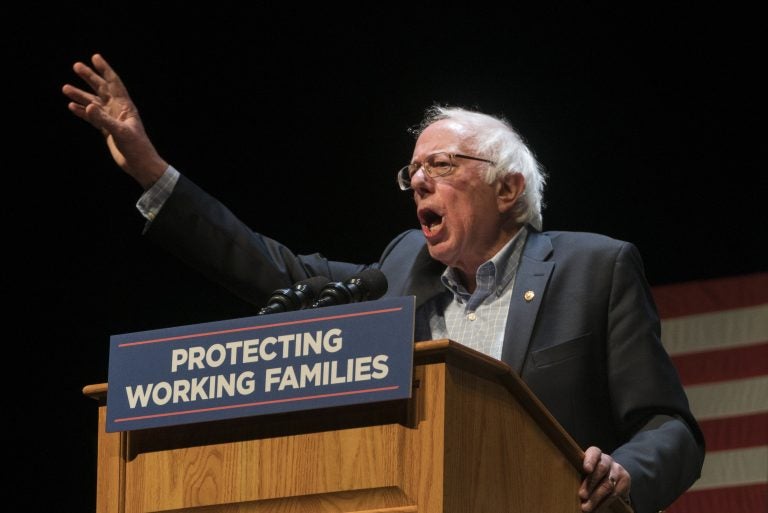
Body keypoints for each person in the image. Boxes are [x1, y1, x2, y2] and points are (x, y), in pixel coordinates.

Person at [63, 53, 704, 513]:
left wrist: (626, 473)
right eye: (413, 171)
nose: (419, 181)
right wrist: (151, 170)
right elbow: (276, 271)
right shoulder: (400, 272)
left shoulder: (595, 268)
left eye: (442, 166)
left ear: (509, 189)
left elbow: (670, 428)